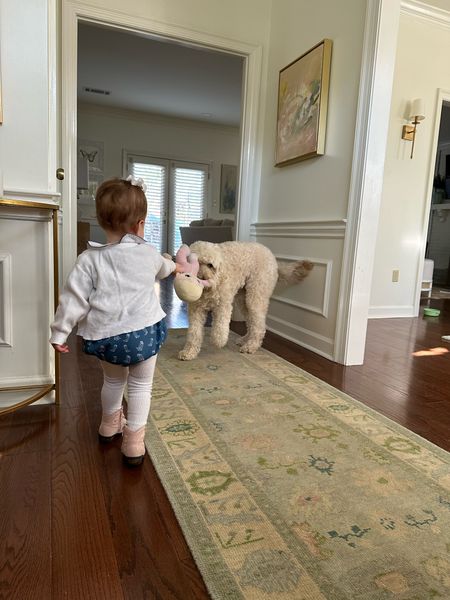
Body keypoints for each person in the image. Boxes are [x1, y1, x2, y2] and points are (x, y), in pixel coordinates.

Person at [50, 176, 180, 466]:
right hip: (145, 333)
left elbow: (72, 299)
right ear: (140, 225)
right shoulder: (148, 253)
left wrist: (59, 333)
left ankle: (108, 427)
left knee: (113, 380)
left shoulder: (89, 259)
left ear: (101, 220)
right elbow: (165, 267)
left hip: (107, 337)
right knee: (140, 386)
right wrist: (175, 265)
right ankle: (133, 443)